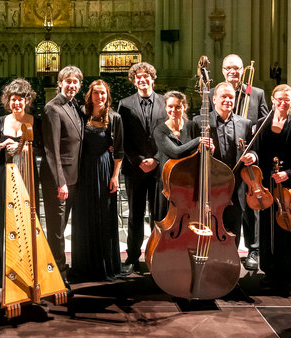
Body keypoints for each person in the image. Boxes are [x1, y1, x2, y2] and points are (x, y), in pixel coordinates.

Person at [212, 54, 269, 271]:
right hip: (223, 161)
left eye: (236, 68)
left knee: (250, 206)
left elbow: (264, 124)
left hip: (247, 160)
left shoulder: (256, 93)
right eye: (228, 68)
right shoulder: (212, 93)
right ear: (222, 70)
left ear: (243, 70)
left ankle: (253, 249)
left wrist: (254, 151)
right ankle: (222, 248)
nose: (232, 72)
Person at [255, 84, 291, 296]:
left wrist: (288, 173)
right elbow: (257, 153)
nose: (282, 103)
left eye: (287, 99)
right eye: (279, 99)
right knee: (269, 230)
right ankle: (271, 273)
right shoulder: (261, 124)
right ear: (272, 100)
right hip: (268, 186)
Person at [70, 80, 124, 282]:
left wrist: (115, 176)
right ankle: (83, 266)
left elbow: (119, 151)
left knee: (104, 217)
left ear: (107, 95)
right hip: (83, 170)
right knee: (83, 216)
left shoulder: (115, 117)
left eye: (103, 93)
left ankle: (104, 266)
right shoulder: (81, 114)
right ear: (90, 95)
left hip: (104, 170)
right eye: (96, 93)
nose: (99, 97)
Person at [117, 62, 167, 275]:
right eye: (138, 77)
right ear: (134, 80)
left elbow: (171, 134)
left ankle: (158, 255)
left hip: (159, 168)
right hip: (134, 168)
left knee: (159, 214)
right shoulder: (125, 104)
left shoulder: (166, 102)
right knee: (135, 215)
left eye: (146, 76)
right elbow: (121, 138)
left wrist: (155, 159)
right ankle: (132, 257)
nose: (142, 80)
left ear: (152, 78)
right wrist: (138, 160)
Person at [0, 79, 40, 288]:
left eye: (20, 100)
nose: (17, 103)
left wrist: (28, 149)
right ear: (7, 101)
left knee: (27, 218)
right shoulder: (0, 121)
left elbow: (43, 148)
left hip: (27, 174)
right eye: (13, 100)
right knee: (4, 218)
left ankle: (27, 263)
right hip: (4, 173)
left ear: (27, 101)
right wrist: (1, 145)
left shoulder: (35, 120)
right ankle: (2, 268)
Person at [195, 82, 257, 248]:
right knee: (210, 231)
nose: (228, 100)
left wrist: (252, 156)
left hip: (236, 187)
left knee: (233, 230)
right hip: (210, 187)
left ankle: (230, 265)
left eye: (231, 97)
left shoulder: (245, 123)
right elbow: (190, 155)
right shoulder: (199, 121)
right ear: (214, 99)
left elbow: (253, 150)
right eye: (223, 96)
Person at [40, 65, 84, 280]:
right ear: (60, 83)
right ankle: (57, 272)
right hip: (59, 179)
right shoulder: (53, 108)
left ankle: (56, 266)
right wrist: (60, 181)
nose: (72, 85)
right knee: (57, 229)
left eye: (75, 82)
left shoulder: (74, 106)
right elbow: (51, 148)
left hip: (73, 176)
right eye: (68, 81)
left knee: (63, 224)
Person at [152, 91, 201, 222]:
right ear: (166, 107)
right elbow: (175, 152)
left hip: (188, 181)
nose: (173, 110)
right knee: (166, 221)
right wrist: (198, 140)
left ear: (184, 107)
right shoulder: (160, 130)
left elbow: (199, 152)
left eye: (178, 107)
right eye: (170, 106)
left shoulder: (192, 126)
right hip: (168, 183)